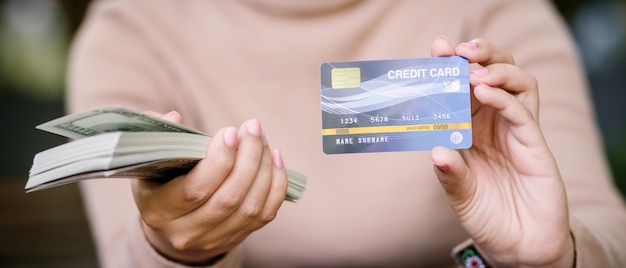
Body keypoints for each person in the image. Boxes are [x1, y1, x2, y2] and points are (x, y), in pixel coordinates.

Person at [67, 0, 626, 267]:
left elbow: (605, 233)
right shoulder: (132, 27)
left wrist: (552, 258)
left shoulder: (496, 10)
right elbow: (125, 254)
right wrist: (173, 252)